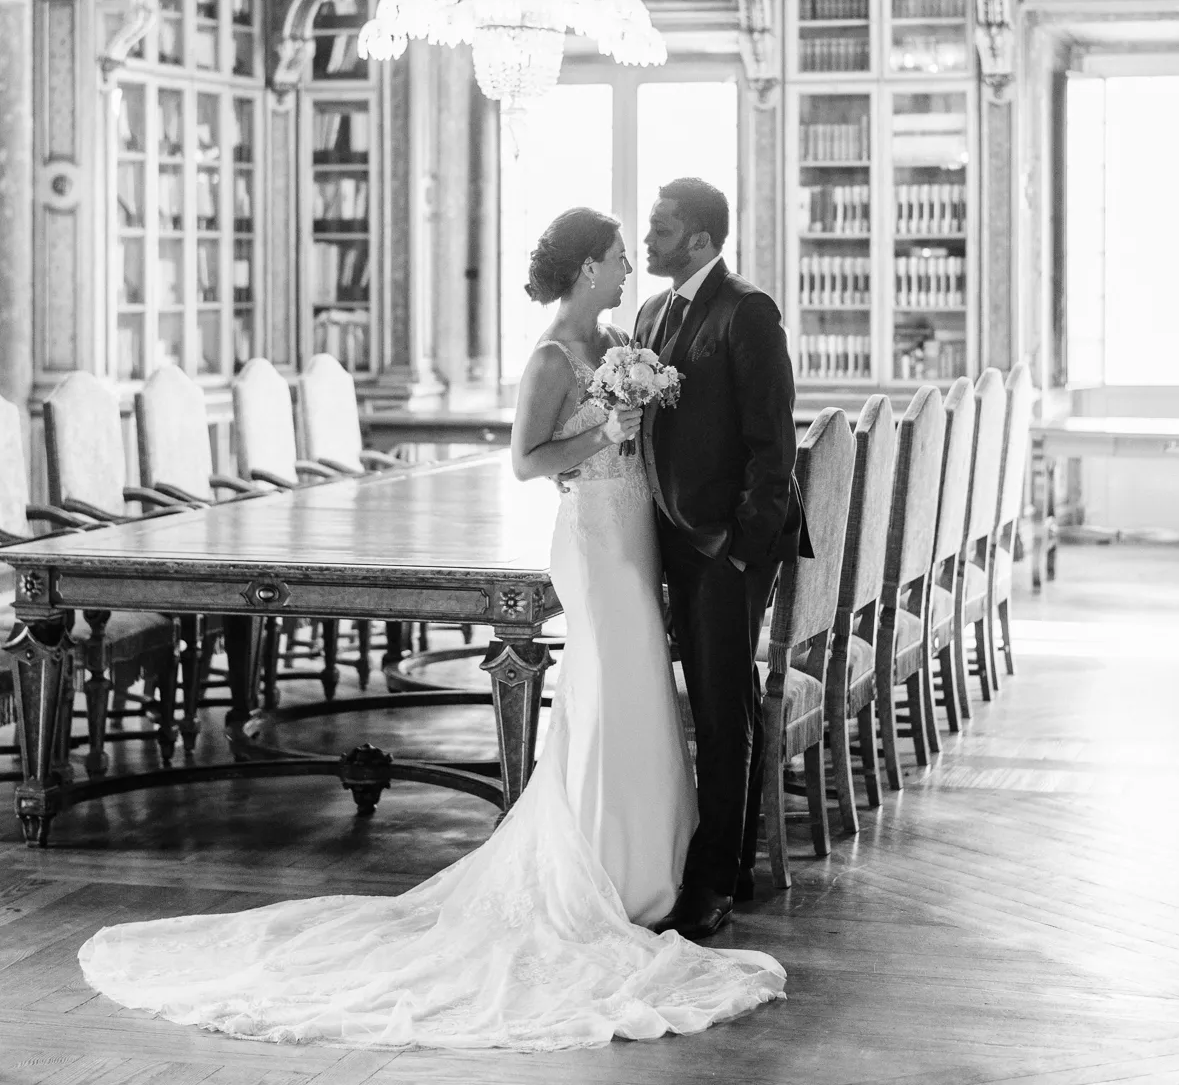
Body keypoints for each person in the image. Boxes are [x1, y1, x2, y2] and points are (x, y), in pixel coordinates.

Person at [78, 206, 785, 1051]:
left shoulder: (623, 333)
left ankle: (650, 863)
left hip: (639, 529)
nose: (633, 264)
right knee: (606, 689)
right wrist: (606, 428)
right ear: (588, 267)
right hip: (597, 539)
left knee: (636, 697)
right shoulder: (553, 356)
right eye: (620, 255)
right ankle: (600, 870)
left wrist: (629, 436)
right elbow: (527, 462)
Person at [637, 177, 810, 942]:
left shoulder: (747, 311)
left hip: (724, 550)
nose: (649, 241)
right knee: (697, 705)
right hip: (661, 540)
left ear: (702, 240)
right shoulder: (649, 313)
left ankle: (711, 884)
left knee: (720, 709)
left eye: (662, 230)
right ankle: (726, 860)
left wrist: (743, 551)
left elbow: (775, 447)